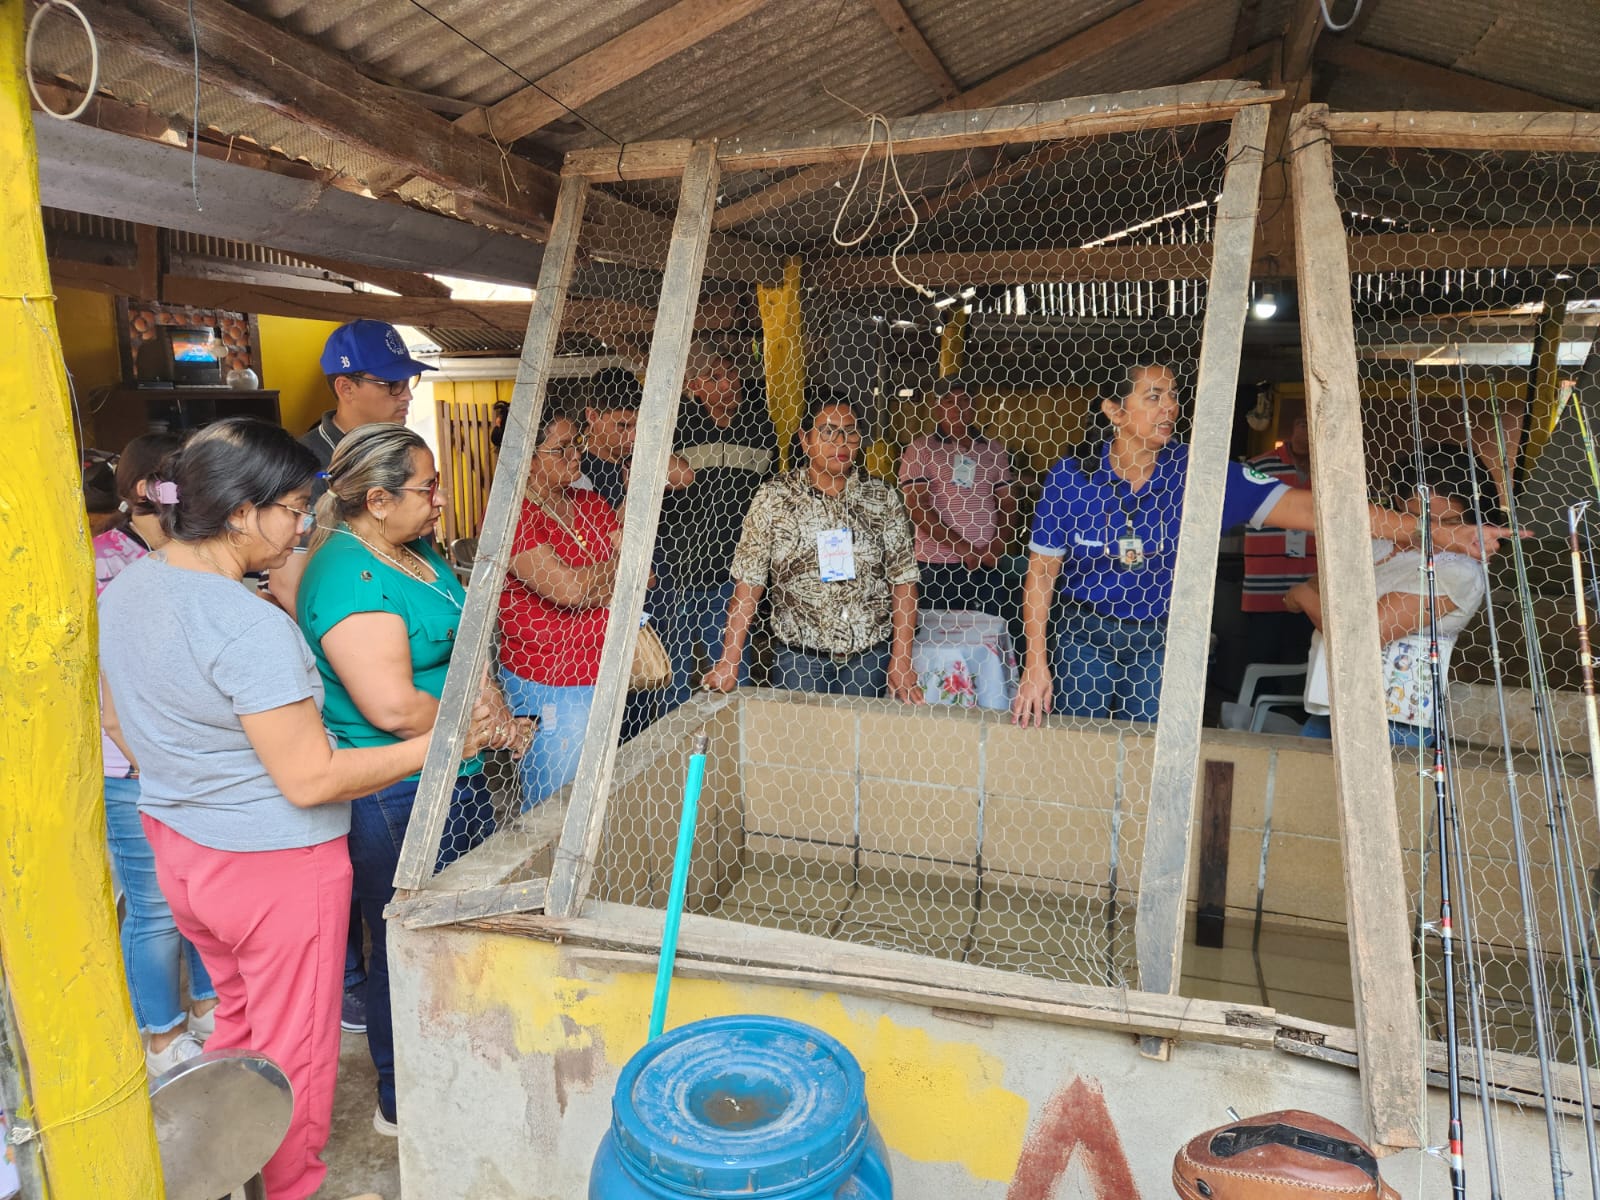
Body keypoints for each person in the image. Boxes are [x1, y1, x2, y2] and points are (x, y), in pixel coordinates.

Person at [98, 418, 496, 1200]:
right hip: (272, 872)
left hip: (180, 849)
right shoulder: (247, 626)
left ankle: (233, 1168)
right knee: (299, 1052)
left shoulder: (133, 585)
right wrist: (446, 743)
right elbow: (310, 780)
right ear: (241, 512)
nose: (303, 526)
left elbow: (118, 723)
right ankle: (291, 1187)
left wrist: (201, 785)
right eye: (291, 508)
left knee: (243, 1030)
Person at [1010, 361, 1513, 727]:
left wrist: (1440, 534)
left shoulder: (1202, 472)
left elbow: (1316, 511)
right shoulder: (1071, 478)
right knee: (1077, 742)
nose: (1171, 406)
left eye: (1173, 395)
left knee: (1153, 749)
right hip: (1083, 633)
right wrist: (1036, 663)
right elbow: (1041, 572)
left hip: (1166, 638)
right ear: (1114, 412)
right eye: (1154, 396)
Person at [296, 423, 529, 1135]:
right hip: (399, 793)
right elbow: (394, 708)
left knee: (462, 925)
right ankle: (406, 1096)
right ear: (376, 498)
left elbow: (463, 637)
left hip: (456, 769)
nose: (440, 502)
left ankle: (465, 1058)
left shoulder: (414, 552)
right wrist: (484, 726)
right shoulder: (347, 574)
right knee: (406, 941)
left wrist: (489, 706)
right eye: (427, 489)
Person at [268, 317, 436, 1037]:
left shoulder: (400, 468)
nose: (404, 396)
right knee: (354, 863)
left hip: (379, 666)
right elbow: (291, 581)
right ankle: (349, 990)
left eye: (407, 384)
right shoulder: (296, 463)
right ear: (345, 386)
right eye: (390, 384)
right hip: (331, 681)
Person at [94, 432, 220, 1075]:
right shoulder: (103, 564)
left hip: (181, 759)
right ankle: (162, 1038)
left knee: (197, 900)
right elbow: (109, 683)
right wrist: (138, 754)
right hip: (133, 769)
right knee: (155, 909)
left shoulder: (182, 558)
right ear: (149, 490)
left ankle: (206, 1007)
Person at [705, 389, 924, 701]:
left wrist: (902, 658)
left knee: (858, 745)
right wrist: (730, 659)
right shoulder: (775, 498)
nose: (841, 441)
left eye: (850, 431)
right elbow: (749, 581)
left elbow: (903, 580)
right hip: (799, 659)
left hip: (869, 656)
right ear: (805, 440)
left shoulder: (881, 498)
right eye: (828, 431)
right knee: (802, 746)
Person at [1288, 442, 1494, 747]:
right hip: (1331, 705)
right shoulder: (1380, 544)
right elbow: (1315, 587)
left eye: (1449, 522)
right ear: (1398, 503)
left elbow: (1361, 637)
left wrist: (1303, 596)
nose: (1434, 532)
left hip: (1395, 722)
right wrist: (1309, 594)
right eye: (1418, 519)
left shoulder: (1458, 570)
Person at [498, 407, 623, 808]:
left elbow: (643, 576)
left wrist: (588, 581)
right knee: (556, 804)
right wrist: (606, 577)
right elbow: (566, 589)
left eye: (577, 445)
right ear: (527, 458)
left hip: (607, 670)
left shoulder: (590, 502)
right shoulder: (513, 515)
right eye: (561, 449)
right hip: (550, 679)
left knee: (600, 797)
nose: (576, 457)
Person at [657, 344, 776, 705]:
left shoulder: (761, 428)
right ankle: (670, 753)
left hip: (734, 577)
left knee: (731, 671)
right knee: (670, 676)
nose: (730, 382)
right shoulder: (675, 428)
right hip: (677, 575)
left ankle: (730, 747)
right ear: (693, 386)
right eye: (715, 376)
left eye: (732, 373)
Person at [898, 378, 1017, 618]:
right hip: (937, 566)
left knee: (986, 638)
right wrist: (962, 548)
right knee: (938, 641)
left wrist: (997, 544)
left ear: (975, 405)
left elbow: (1008, 503)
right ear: (936, 406)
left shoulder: (994, 450)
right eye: (948, 401)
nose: (957, 408)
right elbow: (916, 507)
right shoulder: (920, 449)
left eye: (964, 400)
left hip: (987, 563)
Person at [1239, 411, 1317, 666]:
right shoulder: (1257, 467)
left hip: (1315, 589)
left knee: (1306, 667)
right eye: (1302, 423)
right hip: (1264, 588)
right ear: (1290, 428)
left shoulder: (1333, 470)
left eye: (1314, 423)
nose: (1307, 430)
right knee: (1261, 665)